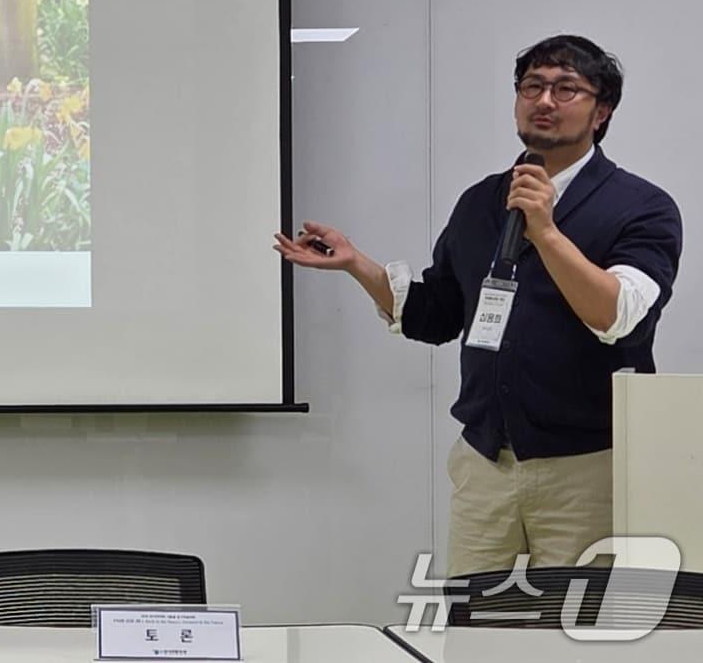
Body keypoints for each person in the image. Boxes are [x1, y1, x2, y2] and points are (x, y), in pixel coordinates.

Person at [274, 34, 682, 577]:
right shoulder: (482, 201)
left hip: (588, 469)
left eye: (566, 89)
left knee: (575, 645)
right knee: (474, 636)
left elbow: (617, 316)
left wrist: (546, 230)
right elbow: (437, 315)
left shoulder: (641, 207)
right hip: (486, 468)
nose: (543, 101)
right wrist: (357, 264)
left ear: (602, 111)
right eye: (532, 86)